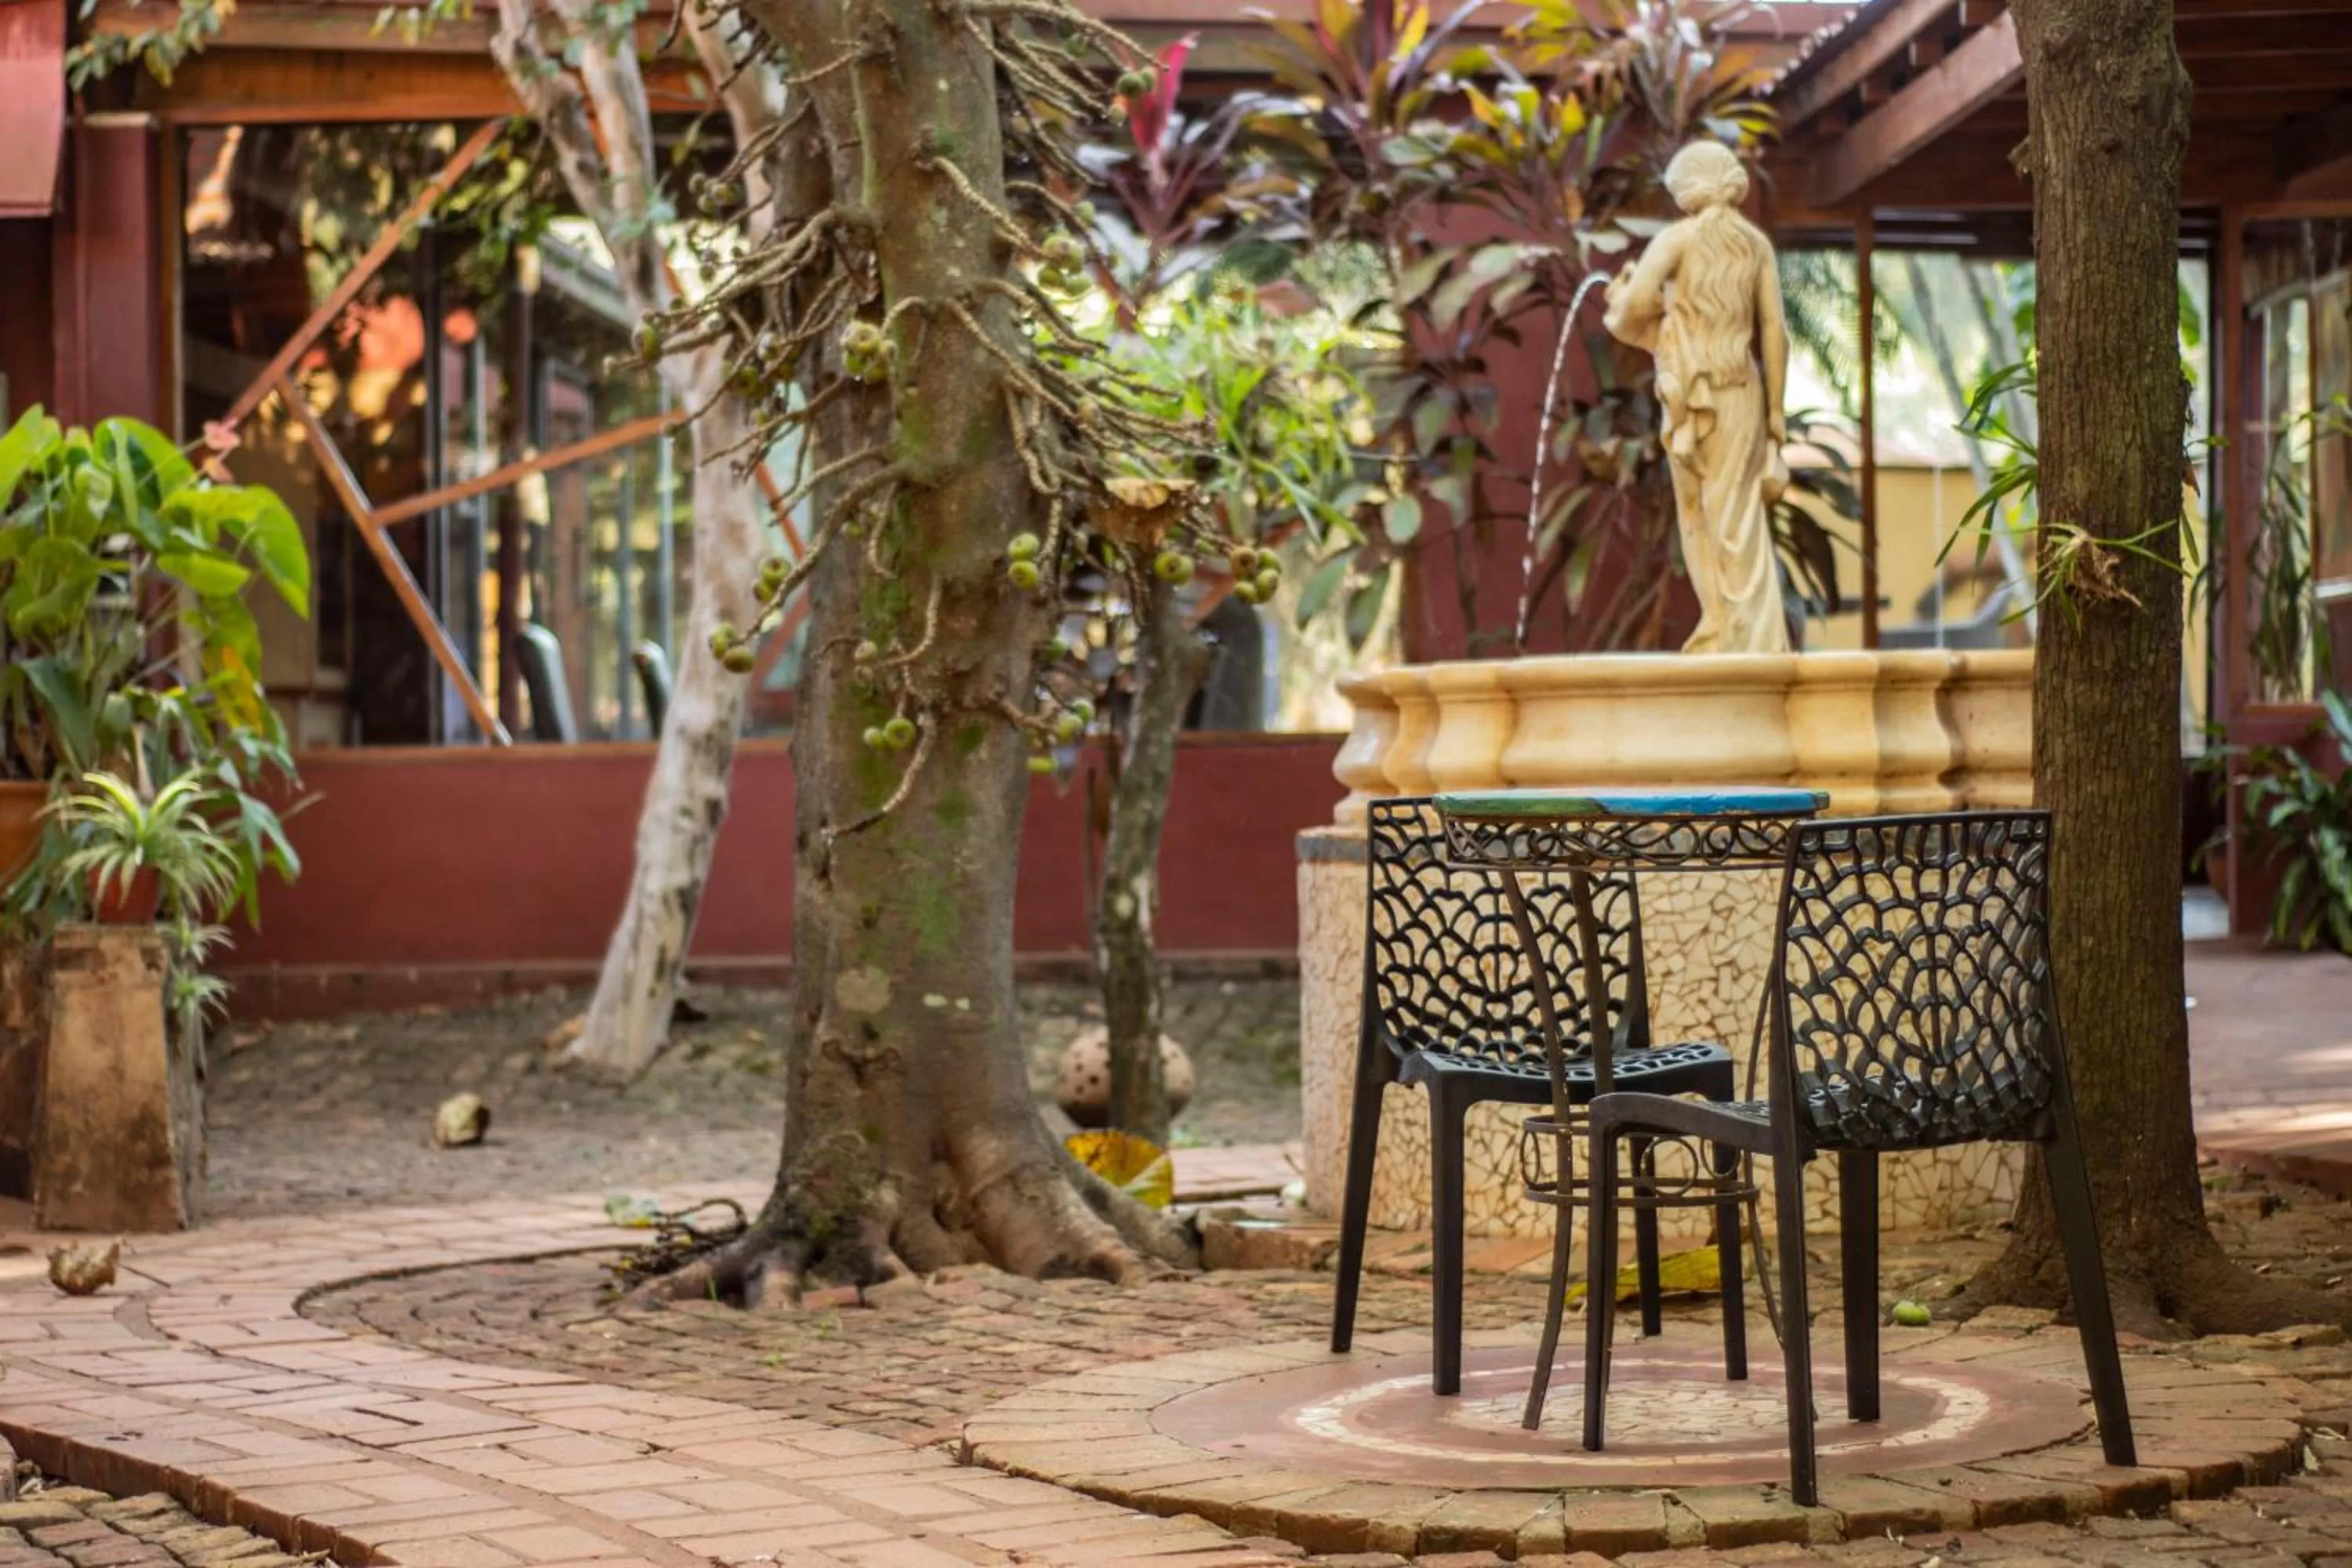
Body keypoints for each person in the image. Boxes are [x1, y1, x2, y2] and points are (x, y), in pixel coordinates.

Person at [1603, 140, 1792, 655]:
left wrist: (1629, 307)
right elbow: (1775, 332)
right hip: (1739, 389)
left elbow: (1631, 312)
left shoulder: (1676, 240)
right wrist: (1776, 413)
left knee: (1698, 512)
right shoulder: (1755, 245)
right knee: (1734, 516)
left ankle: (1734, 632)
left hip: (1687, 388)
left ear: (1688, 188)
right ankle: (1733, 632)